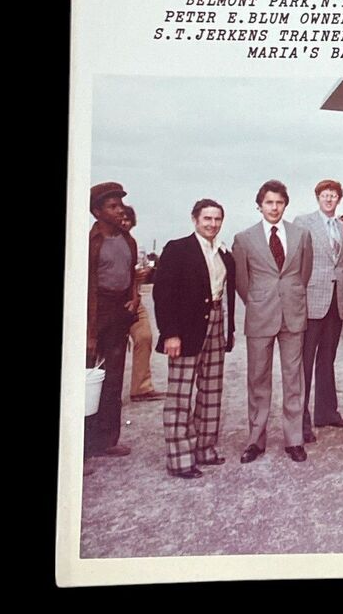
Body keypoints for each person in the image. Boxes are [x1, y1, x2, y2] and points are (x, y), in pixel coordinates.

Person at [153, 199, 236, 480]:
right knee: (180, 394)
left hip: (216, 323)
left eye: (217, 219)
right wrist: (170, 334)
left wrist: (229, 331)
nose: (212, 224)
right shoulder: (178, 249)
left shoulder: (224, 254)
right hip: (186, 330)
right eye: (207, 219)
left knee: (211, 391)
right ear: (194, 219)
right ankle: (179, 458)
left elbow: (228, 294)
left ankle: (204, 448)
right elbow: (162, 295)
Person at [232, 180, 314, 464]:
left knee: (294, 379)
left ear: (285, 205)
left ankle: (294, 439)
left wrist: (288, 296)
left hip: (293, 314)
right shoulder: (244, 239)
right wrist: (258, 301)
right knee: (258, 379)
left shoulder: (301, 235)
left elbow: (303, 275)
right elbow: (241, 281)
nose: (274, 207)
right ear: (260, 205)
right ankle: (256, 439)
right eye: (269, 202)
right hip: (260, 315)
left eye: (279, 202)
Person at [86, 182, 145, 460]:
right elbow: (85, 289)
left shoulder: (127, 239)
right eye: (112, 206)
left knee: (113, 378)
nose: (119, 209)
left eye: (120, 204)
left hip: (120, 312)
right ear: (97, 211)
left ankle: (108, 440)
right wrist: (88, 333)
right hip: (96, 313)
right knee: (88, 380)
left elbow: (132, 273)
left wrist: (135, 298)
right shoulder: (89, 243)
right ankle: (82, 450)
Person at [293, 180, 343, 444]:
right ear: (317, 198)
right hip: (311, 299)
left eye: (333, 196)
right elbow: (295, 262)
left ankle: (327, 412)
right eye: (324, 195)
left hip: (336, 301)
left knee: (327, 358)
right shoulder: (303, 223)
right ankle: (300, 421)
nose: (329, 199)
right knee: (305, 362)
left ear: (339, 199)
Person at [119, 206, 163, 403]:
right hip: (112, 303)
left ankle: (141, 388)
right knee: (111, 348)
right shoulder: (102, 243)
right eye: (121, 218)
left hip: (136, 300)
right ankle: (105, 395)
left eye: (128, 219)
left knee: (144, 336)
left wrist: (142, 276)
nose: (124, 222)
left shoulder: (137, 246)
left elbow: (143, 270)